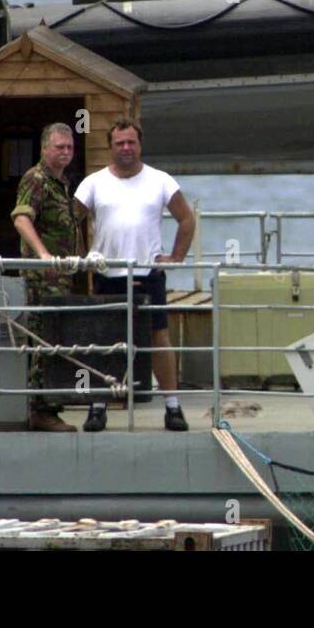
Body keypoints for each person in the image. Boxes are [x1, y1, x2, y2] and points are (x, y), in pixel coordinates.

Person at [75, 118, 196, 431]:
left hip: (148, 273)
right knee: (104, 340)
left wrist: (176, 258)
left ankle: (173, 407)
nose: (126, 148)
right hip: (106, 273)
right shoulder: (93, 182)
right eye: (120, 143)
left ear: (140, 145)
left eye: (131, 142)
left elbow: (186, 219)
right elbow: (68, 221)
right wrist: (81, 257)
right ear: (110, 146)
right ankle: (98, 406)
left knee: (158, 338)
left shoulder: (161, 180)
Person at [11, 122, 82, 432]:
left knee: (57, 337)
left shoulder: (61, 182)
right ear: (44, 149)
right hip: (43, 278)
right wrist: (42, 254)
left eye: (69, 147)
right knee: (44, 339)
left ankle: (49, 405)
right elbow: (22, 218)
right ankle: (41, 410)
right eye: (59, 147)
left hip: (62, 276)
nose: (65, 152)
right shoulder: (36, 179)